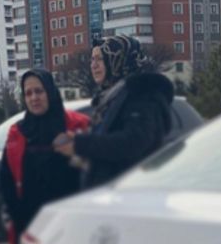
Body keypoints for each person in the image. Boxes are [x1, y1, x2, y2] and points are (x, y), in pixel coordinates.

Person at [0, 69, 89, 244]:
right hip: (31, 227)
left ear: (50, 92)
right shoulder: (18, 131)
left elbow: (93, 174)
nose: (34, 98)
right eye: (28, 93)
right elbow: (7, 177)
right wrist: (17, 216)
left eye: (39, 91)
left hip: (69, 228)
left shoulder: (76, 125)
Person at [54, 35, 175, 189]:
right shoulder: (110, 98)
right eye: (92, 59)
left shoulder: (141, 94)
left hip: (134, 193)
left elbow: (133, 142)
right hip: (114, 193)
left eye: (100, 59)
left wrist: (81, 144)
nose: (94, 65)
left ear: (119, 60)